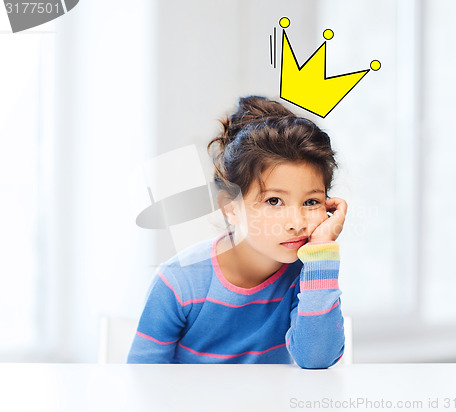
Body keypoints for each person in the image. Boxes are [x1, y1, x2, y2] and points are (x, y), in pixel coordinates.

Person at [127, 96, 347, 368]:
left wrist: (321, 252)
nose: (297, 222)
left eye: (311, 202)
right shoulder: (179, 281)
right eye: (274, 201)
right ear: (230, 208)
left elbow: (317, 359)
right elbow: (142, 378)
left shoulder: (309, 275)